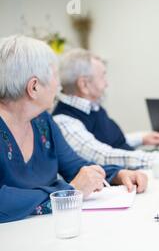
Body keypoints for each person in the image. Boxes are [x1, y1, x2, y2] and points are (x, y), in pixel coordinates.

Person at [0, 36, 147, 224]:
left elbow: (75, 166)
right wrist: (69, 192)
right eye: (54, 76)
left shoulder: (42, 121)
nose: (58, 86)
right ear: (34, 87)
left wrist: (117, 174)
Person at [52, 49, 159, 170]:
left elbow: (106, 141)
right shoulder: (64, 121)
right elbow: (104, 156)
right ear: (84, 85)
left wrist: (142, 138)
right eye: (103, 76)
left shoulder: (92, 107)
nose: (107, 84)